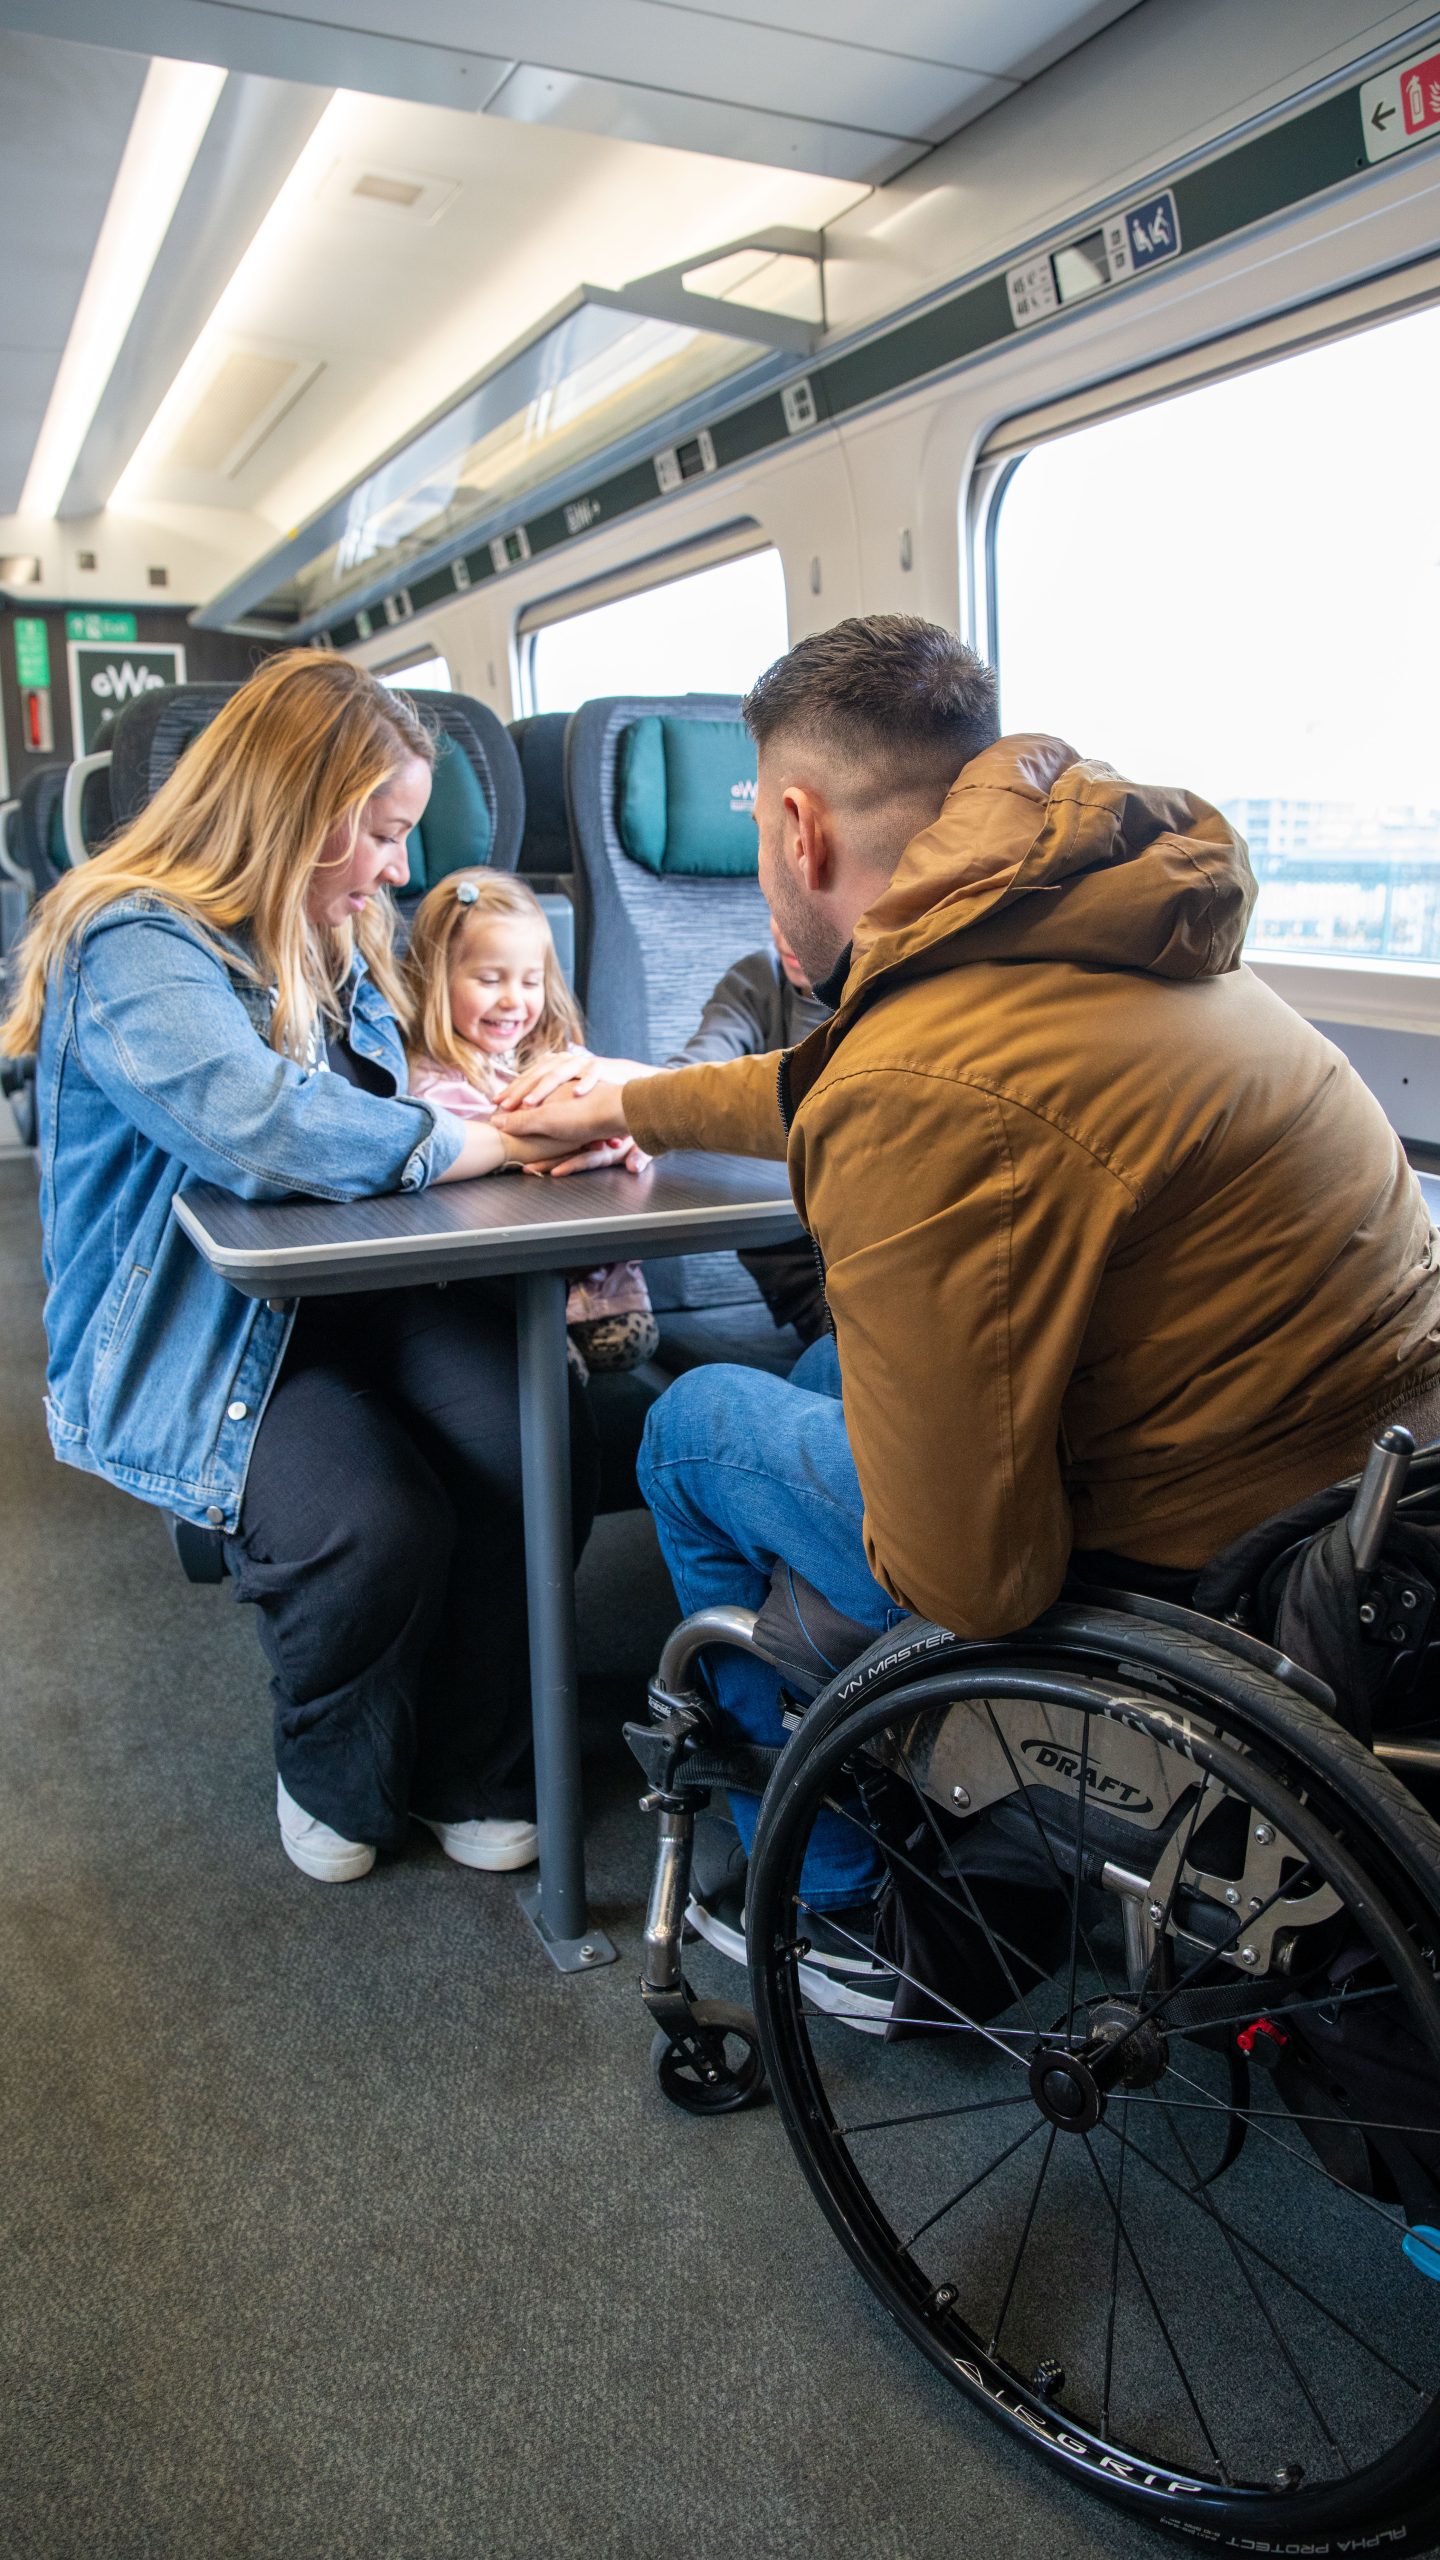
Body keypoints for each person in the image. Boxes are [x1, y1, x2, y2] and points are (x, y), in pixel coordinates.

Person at [496, 613, 1440, 1926]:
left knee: (694, 1424)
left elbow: (977, 1583)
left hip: (1206, 1579)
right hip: (1370, 1512)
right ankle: (878, 1737)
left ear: (794, 830)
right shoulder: (1110, 932)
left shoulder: (925, 1075)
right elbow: (852, 1089)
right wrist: (636, 1101)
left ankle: (823, 1892)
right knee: (826, 1367)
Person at [1, 651, 608, 1886]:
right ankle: (341, 1768)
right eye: (383, 834)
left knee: (534, 1441)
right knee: (370, 1519)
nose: (398, 866)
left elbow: (393, 1099)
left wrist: (541, 1094)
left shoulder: (343, 929)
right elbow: (257, 1121)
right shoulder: (129, 940)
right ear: (295, 811)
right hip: (211, 1324)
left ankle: (469, 1760)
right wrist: (490, 1138)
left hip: (368, 1290)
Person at [405, 868, 658, 1378]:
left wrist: (631, 1137)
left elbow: (618, 1106)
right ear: (438, 979)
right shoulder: (428, 1078)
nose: (513, 1001)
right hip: (497, 1285)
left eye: (530, 981)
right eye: (489, 979)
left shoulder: (559, 1057)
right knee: (542, 1371)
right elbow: (465, 1144)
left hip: (591, 1272)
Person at [663, 916, 830, 1346]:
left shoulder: (888, 991)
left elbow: (826, 1107)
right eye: (777, 911)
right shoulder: (756, 979)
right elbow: (695, 1072)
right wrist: (630, 1111)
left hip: (862, 1263)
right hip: (801, 1280)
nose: (786, 932)